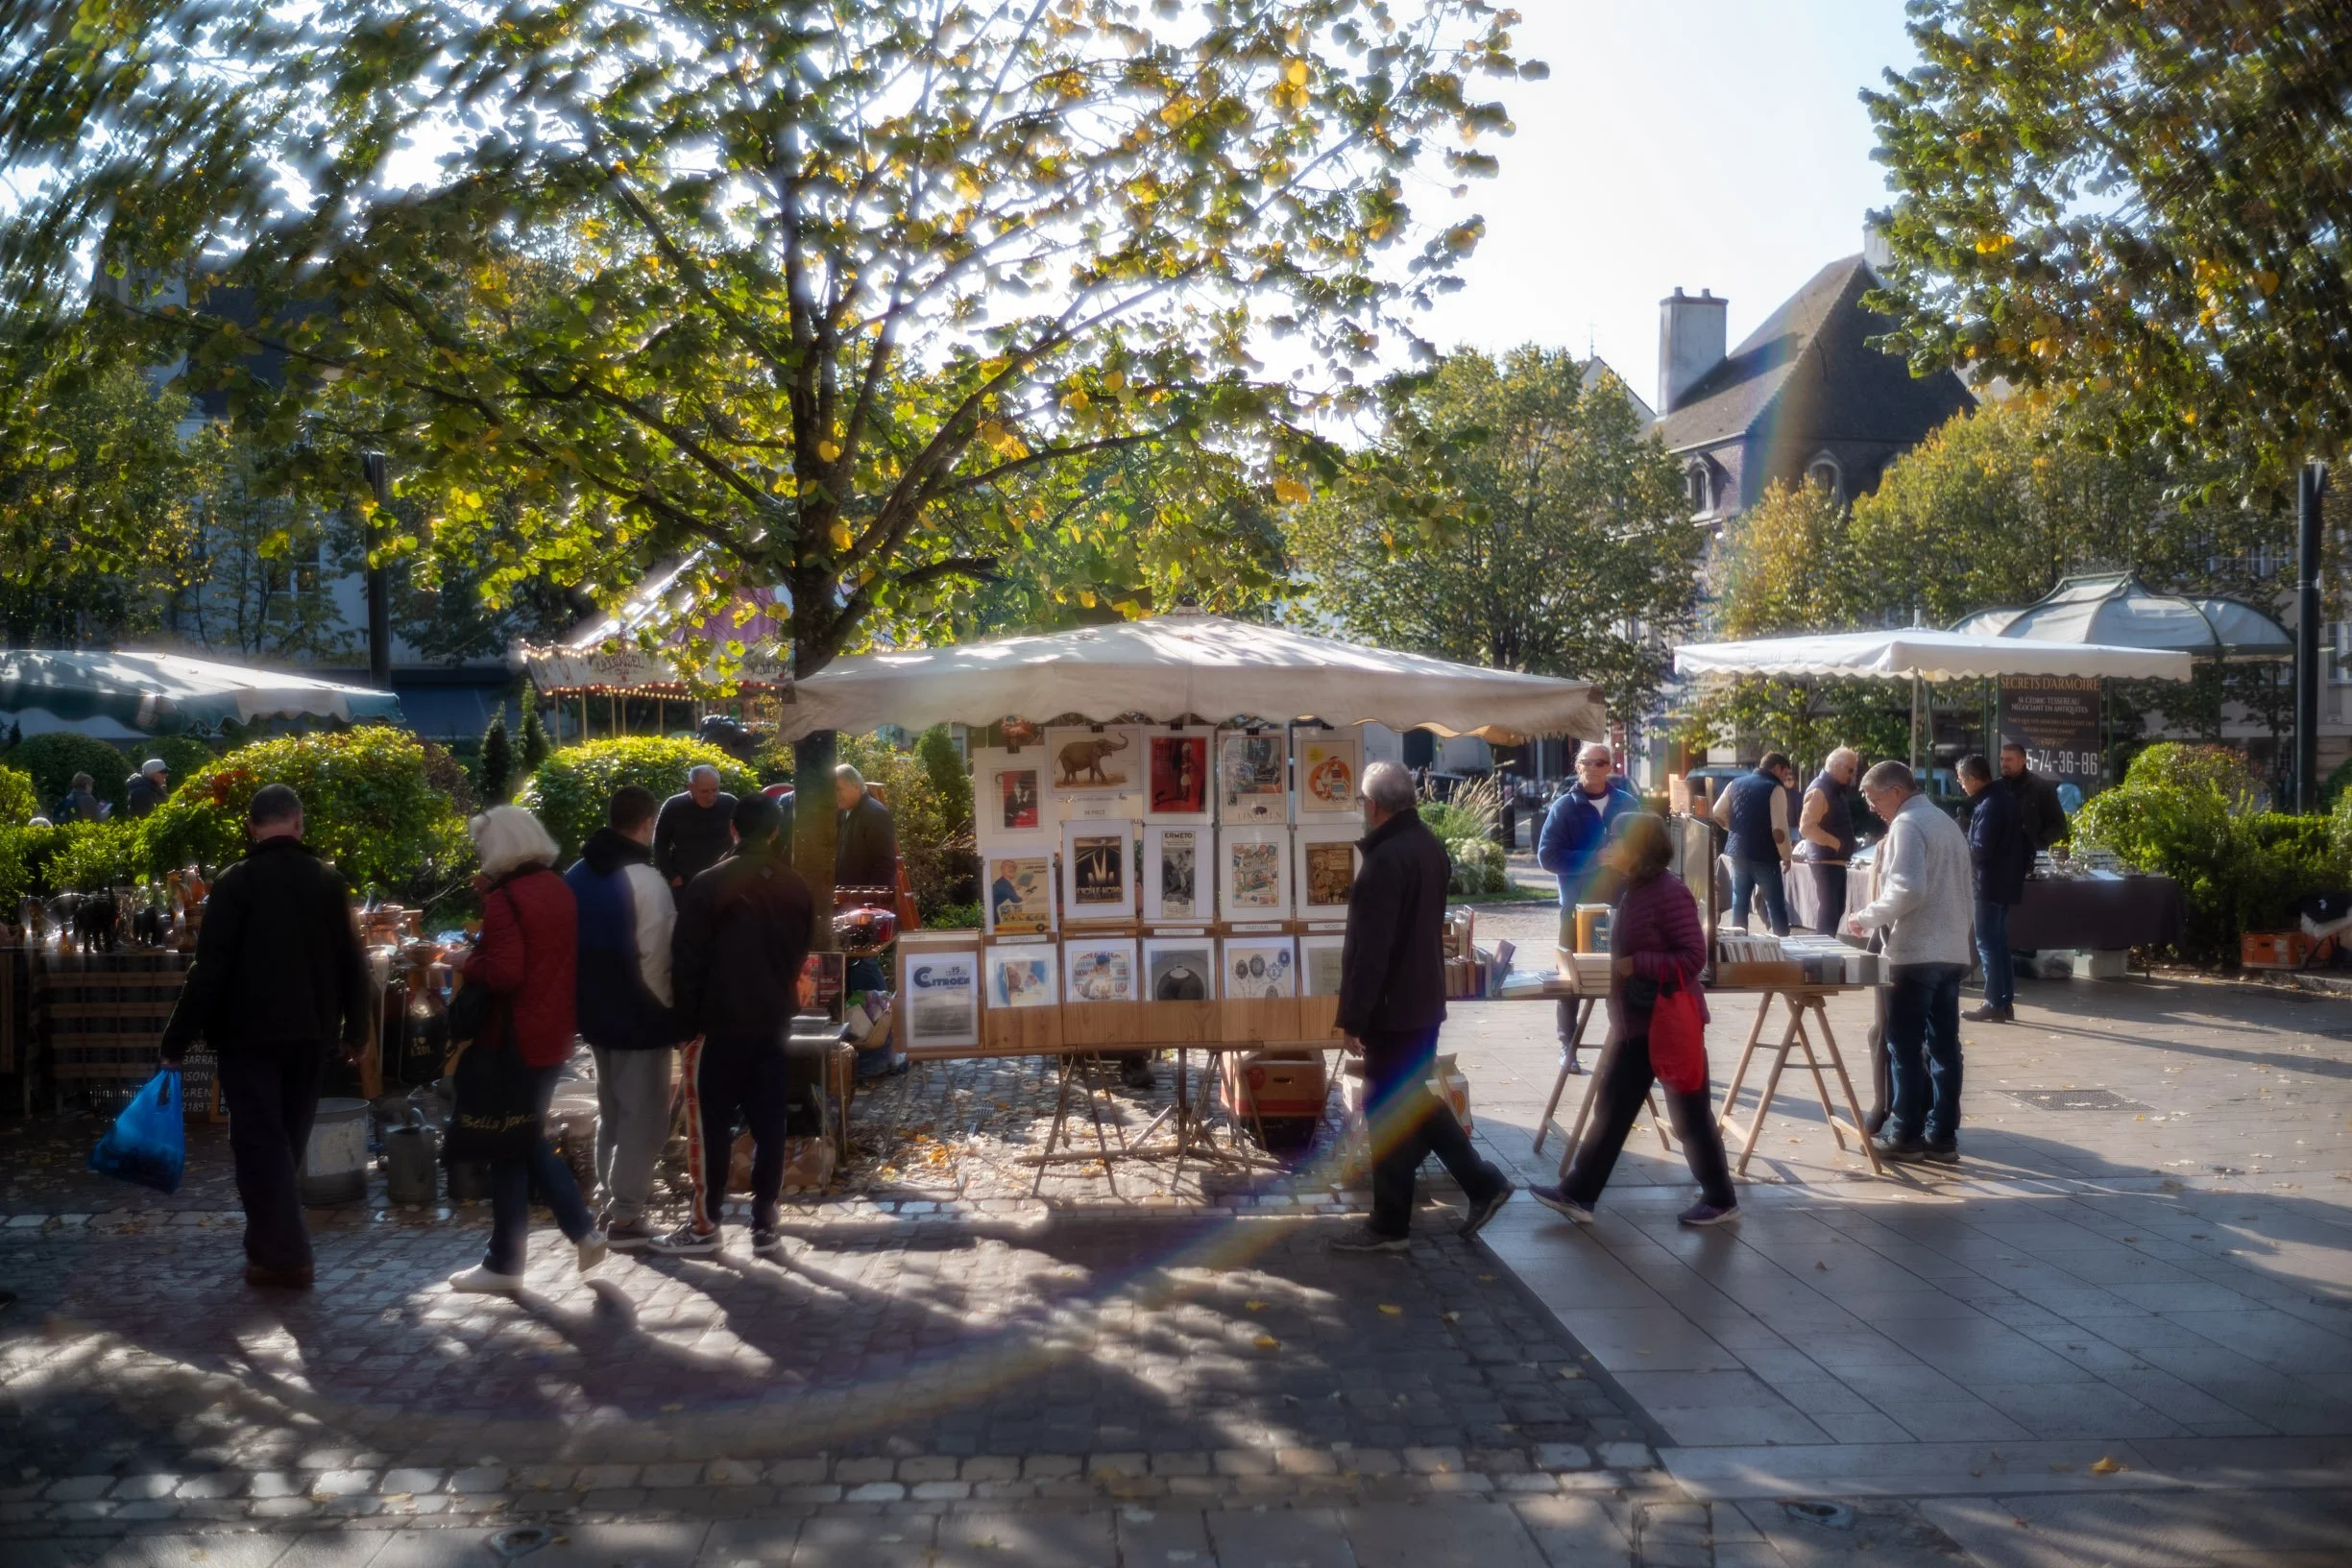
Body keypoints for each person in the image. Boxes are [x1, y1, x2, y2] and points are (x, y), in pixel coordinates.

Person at [158, 784, 370, 1289]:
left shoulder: (234, 884)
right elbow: (352, 963)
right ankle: (270, 1247)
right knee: (285, 1141)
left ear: (252, 827)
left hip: (247, 1036)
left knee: (261, 1143)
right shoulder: (326, 880)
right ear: (298, 823)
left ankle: (285, 1253)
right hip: (311, 1035)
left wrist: (176, 1040)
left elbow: (208, 970)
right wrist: (357, 1030)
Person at [1328, 761, 1513, 1254]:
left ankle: (1411, 1215)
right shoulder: (1428, 847)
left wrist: (1354, 1016)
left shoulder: (1386, 860)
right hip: (1420, 1000)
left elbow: (1372, 952)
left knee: (1394, 1106)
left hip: (1395, 1006)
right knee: (1402, 1103)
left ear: (1373, 806)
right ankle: (1406, 1213)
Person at [1530, 811, 1738, 1227]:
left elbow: (1693, 957)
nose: (1609, 846)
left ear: (1638, 848)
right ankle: (1579, 1194)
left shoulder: (1668, 892)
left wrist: (1633, 965)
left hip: (1663, 1022)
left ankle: (1720, 1198)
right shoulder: (1636, 887)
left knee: (1688, 1115)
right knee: (1612, 1108)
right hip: (1634, 1021)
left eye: (1616, 840)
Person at [449, 806, 605, 1293]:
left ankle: (555, 1239)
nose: (479, 854)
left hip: (511, 1039)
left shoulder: (506, 901)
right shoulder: (557, 888)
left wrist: (466, 961)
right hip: (552, 1033)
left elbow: (505, 972)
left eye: (482, 847)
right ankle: (512, 1257)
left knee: (512, 1142)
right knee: (517, 1142)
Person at [656, 792, 814, 1258]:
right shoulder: (796, 886)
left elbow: (685, 963)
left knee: (710, 1127)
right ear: (775, 831)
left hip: (718, 1023)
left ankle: (706, 1223)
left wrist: (685, 1027)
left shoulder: (707, 884)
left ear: (732, 829)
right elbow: (800, 953)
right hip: (772, 1019)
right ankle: (765, 1220)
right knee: (769, 1122)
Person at [564, 784, 678, 1249]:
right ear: (648, 824)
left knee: (611, 1111)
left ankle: (609, 1199)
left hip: (593, 1012)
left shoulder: (575, 874)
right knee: (645, 1117)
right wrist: (671, 1015)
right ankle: (626, 1215)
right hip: (639, 1015)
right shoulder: (645, 881)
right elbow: (658, 959)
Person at [1844, 761, 1974, 1163]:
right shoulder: (1945, 822)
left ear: (1896, 790)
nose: (1871, 807)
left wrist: (1865, 917)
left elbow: (1908, 888)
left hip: (1916, 952)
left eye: (1873, 797)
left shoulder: (1907, 824)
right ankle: (1943, 1135)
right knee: (1944, 1046)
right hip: (1951, 949)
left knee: (1903, 1044)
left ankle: (1905, 1133)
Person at [1536, 744, 1643, 1069]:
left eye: (1600, 762)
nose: (1593, 768)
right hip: (1579, 910)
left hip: (1620, 908)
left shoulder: (1628, 804)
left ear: (1610, 767)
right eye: (1587, 762)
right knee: (1573, 980)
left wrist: (1628, 864)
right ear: (1577, 766)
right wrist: (1592, 860)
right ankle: (1567, 1046)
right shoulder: (1564, 808)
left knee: (1623, 978)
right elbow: (1547, 856)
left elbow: (1646, 849)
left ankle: (1627, 1043)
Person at [1958, 754, 2027, 1025]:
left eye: (1962, 780)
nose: (1961, 785)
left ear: (1974, 780)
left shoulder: (1988, 805)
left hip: (1987, 883)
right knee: (1999, 944)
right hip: (2004, 882)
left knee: (1987, 944)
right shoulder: (2004, 798)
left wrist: (1963, 840)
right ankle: (2004, 1001)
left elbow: (1980, 850)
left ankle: (1994, 1002)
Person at [1712, 753, 1797, 937]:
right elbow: (1779, 831)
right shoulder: (1775, 789)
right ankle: (1783, 949)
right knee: (1775, 905)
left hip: (1738, 852)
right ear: (1776, 768)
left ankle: (1737, 947)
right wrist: (1786, 856)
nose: (1786, 777)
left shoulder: (1735, 783)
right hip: (1765, 855)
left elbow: (1717, 812)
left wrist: (1736, 829)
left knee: (1740, 902)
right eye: (1785, 772)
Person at [1796, 747, 1861, 926]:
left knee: (1836, 909)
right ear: (1836, 766)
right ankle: (1823, 948)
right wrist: (1836, 844)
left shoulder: (1832, 789)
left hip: (1832, 859)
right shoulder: (1820, 790)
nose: (1852, 775)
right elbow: (1807, 828)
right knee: (1830, 911)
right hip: (1825, 860)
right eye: (1849, 769)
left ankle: (1825, 946)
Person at [654, 764, 739, 889]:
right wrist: (671, 876)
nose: (711, 796)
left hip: (724, 879)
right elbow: (660, 843)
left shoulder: (730, 803)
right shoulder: (674, 806)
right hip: (687, 881)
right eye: (704, 791)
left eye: (715, 790)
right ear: (691, 787)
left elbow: (745, 834)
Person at [835, 763, 900, 892]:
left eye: (838, 789)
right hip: (846, 898)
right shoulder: (843, 812)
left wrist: (869, 901)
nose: (834, 795)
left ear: (856, 787)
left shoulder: (875, 814)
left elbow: (885, 865)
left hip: (864, 904)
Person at [2000, 742, 2067, 853]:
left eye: (2009, 759)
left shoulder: (2042, 788)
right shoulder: (1996, 789)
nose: (2004, 764)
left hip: (2032, 858)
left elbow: (2058, 824)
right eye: (2002, 759)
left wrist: (2038, 845)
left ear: (2022, 761)